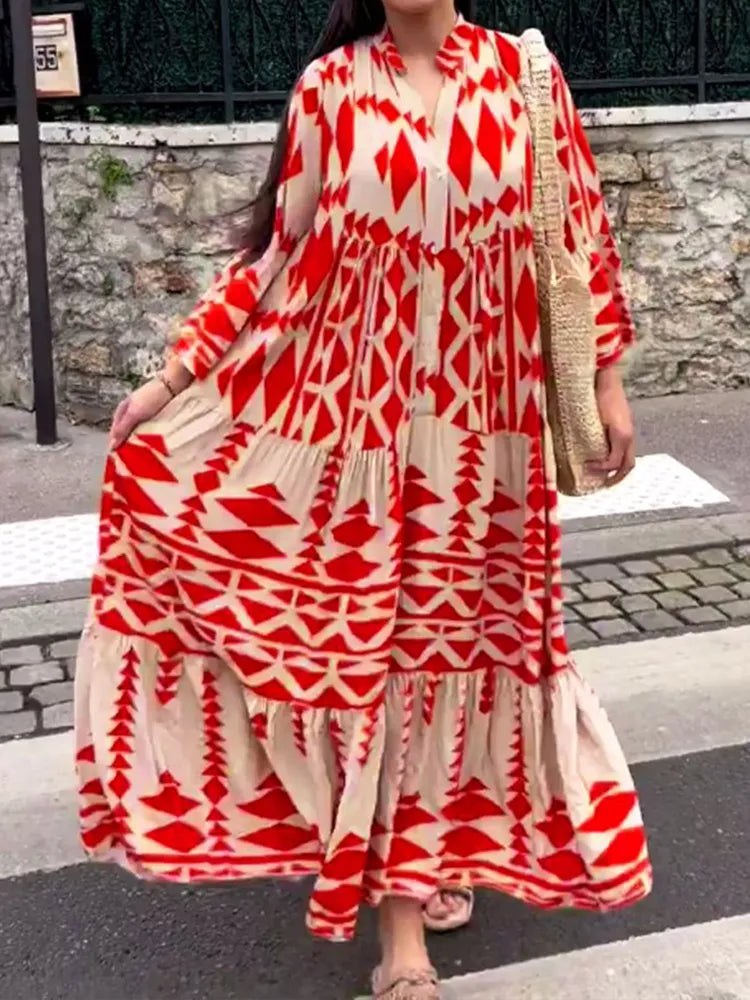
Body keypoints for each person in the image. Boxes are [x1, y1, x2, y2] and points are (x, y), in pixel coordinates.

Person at [74, 1, 652, 996]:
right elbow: (278, 259)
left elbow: (577, 240)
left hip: (486, 436)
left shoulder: (524, 77)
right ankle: (401, 933)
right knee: (380, 662)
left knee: (459, 646)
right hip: (357, 430)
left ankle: (436, 847)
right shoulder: (331, 89)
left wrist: (607, 383)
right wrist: (173, 381)